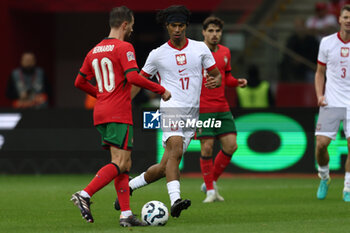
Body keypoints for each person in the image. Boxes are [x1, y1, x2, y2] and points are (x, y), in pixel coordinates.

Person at [114, 5, 222, 217]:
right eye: (174, 25)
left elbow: (216, 75)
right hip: (171, 107)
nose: (178, 29)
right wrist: (123, 102)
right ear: (167, 26)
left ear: (186, 26)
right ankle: (175, 201)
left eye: (181, 25)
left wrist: (214, 81)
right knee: (177, 151)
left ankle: (127, 188)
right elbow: (139, 81)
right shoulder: (157, 54)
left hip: (192, 113)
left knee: (165, 166)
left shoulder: (201, 48)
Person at [70, 6, 171, 227]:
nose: (133, 29)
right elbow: (133, 77)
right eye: (132, 24)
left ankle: (126, 214)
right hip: (118, 111)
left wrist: (100, 93)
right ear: (125, 24)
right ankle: (85, 194)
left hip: (101, 110)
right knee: (121, 162)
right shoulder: (124, 47)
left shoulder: (94, 50)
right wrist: (159, 89)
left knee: (124, 164)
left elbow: (79, 81)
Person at [196, 16, 247, 203]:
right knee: (207, 147)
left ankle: (210, 182)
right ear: (203, 32)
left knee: (231, 145)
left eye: (217, 31)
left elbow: (227, 77)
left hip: (222, 106)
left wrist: (237, 82)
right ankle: (210, 190)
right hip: (203, 107)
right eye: (210, 30)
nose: (214, 34)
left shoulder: (225, 52)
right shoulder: (196, 51)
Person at [314, 4, 350, 202]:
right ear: (339, 19)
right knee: (321, 144)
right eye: (345, 17)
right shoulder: (327, 43)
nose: (348, 20)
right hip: (332, 100)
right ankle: (325, 176)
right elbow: (320, 72)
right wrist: (320, 94)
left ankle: (347, 187)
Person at [280, 17, 319, 82]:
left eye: (300, 26)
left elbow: (316, 55)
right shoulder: (292, 40)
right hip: (295, 68)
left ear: (304, 27)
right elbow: (287, 54)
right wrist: (293, 60)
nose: (299, 29)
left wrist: (303, 59)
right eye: (297, 27)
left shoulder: (312, 40)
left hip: (309, 67)